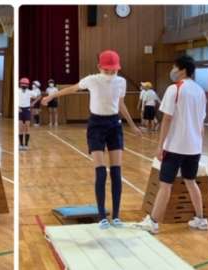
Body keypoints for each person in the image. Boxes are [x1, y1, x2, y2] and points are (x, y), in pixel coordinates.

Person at [42, 50, 141, 229]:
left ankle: (116, 216)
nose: (110, 74)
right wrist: (51, 96)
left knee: (116, 171)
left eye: (113, 71)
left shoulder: (121, 82)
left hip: (114, 125)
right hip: (96, 125)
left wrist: (132, 125)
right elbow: (72, 88)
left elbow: (121, 104)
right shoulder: (92, 80)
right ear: (99, 67)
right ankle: (102, 216)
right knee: (101, 171)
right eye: (107, 70)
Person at [137, 55, 208, 233]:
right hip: (194, 147)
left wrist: (160, 145)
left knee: (165, 185)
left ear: (182, 70)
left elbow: (167, 119)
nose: (173, 71)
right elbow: (201, 123)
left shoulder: (174, 89)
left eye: (175, 67)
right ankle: (201, 219)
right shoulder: (200, 91)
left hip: (175, 147)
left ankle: (153, 222)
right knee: (191, 181)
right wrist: (198, 144)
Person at [19, 77, 38, 150]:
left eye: (25, 84)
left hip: (27, 110)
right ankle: (21, 144)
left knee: (27, 127)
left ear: (27, 85)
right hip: (20, 110)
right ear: (20, 84)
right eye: (22, 83)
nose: (24, 85)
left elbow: (38, 95)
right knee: (20, 128)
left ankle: (26, 145)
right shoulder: (17, 91)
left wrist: (33, 103)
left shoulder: (30, 92)